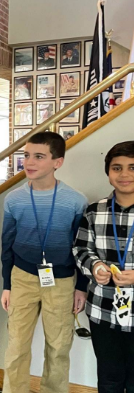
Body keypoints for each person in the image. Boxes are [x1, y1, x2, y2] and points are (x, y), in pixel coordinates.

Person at [0, 132, 88, 393]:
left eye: (39, 156)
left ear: (57, 162)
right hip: (22, 278)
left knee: (59, 348)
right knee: (16, 347)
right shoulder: (13, 200)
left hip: (60, 281)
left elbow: (81, 247)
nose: (29, 162)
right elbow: (6, 247)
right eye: (26, 155)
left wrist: (80, 286)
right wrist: (7, 285)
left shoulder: (75, 201)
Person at [73, 141, 134, 392]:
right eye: (117, 168)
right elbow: (80, 249)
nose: (125, 174)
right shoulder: (94, 211)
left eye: (132, 167)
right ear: (108, 173)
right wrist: (95, 266)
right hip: (102, 309)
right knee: (108, 378)